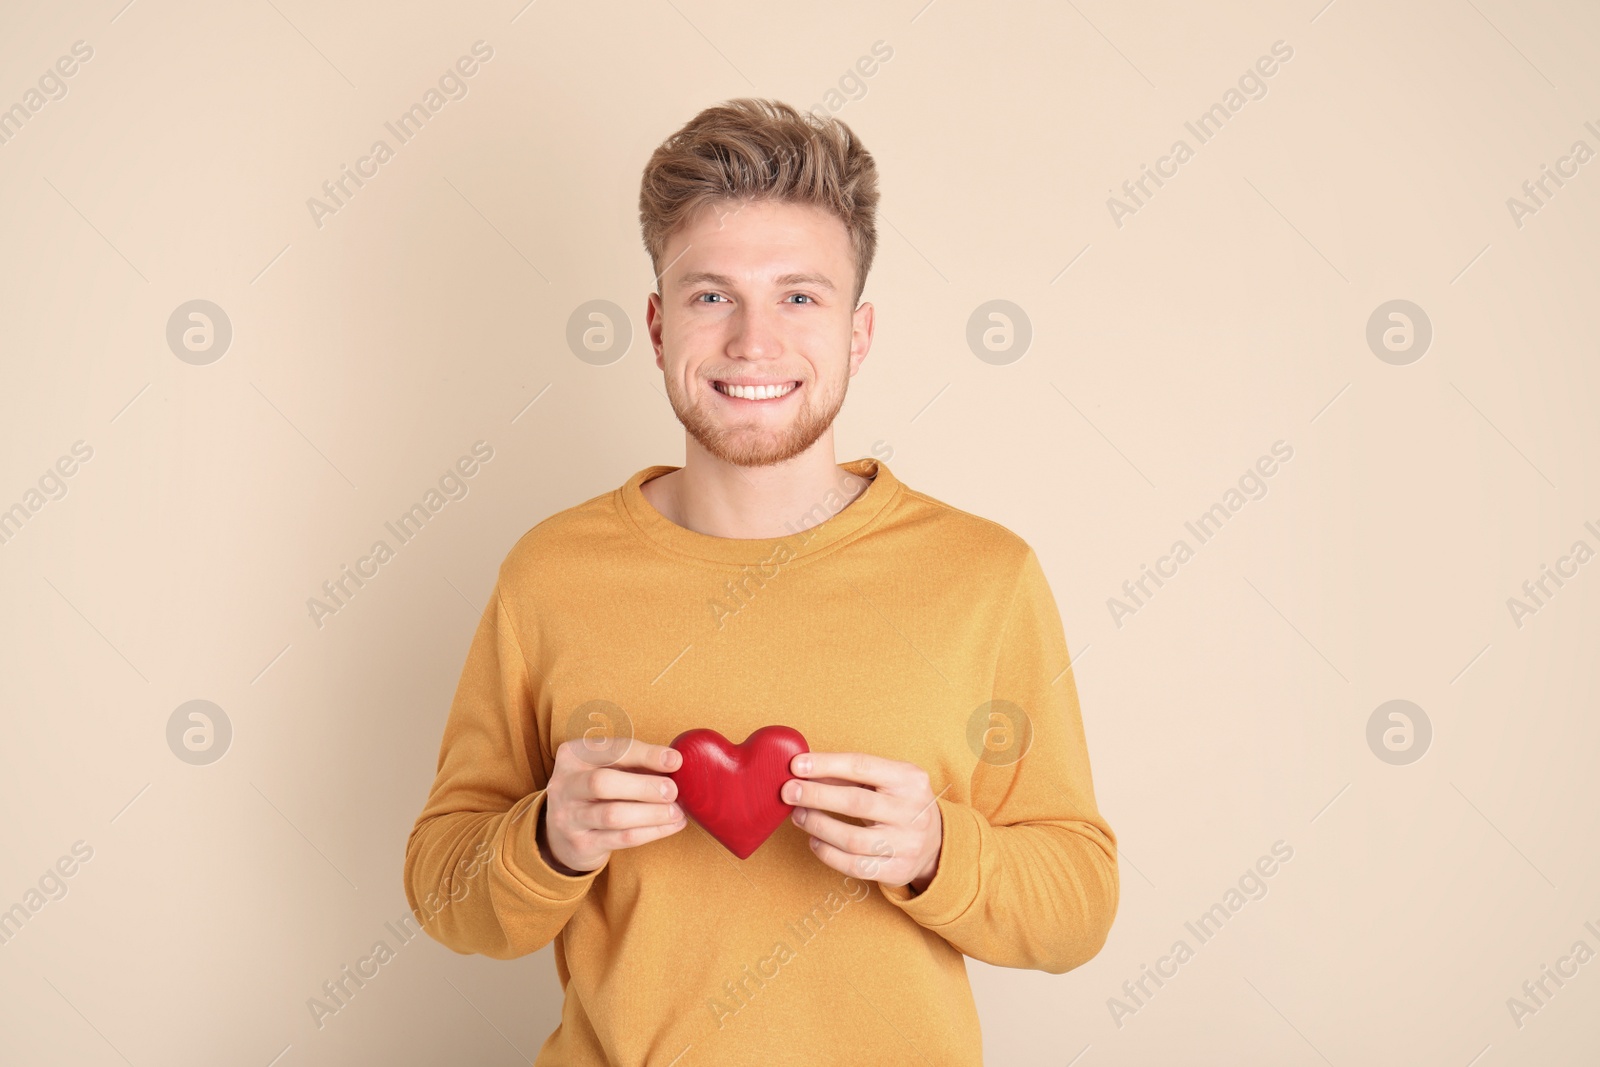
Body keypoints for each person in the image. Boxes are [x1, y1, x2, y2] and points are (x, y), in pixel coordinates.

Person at [403, 97, 1118, 1065]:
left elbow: (1076, 909)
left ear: (858, 333)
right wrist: (546, 836)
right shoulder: (551, 569)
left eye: (798, 295)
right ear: (657, 327)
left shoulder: (984, 575)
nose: (752, 341)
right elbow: (447, 897)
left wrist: (938, 849)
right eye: (710, 295)